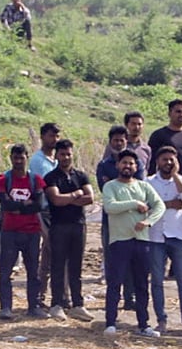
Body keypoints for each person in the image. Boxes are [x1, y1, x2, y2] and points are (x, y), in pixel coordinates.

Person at [101, 149, 165, 337]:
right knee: (115, 282)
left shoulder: (143, 186)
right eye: (124, 163)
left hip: (142, 240)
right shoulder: (111, 186)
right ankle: (111, 322)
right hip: (119, 241)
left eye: (131, 163)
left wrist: (148, 221)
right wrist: (135, 204)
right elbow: (110, 207)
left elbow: (159, 205)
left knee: (141, 284)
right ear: (117, 165)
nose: (127, 166)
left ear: (136, 167)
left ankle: (144, 324)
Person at [147, 146, 182, 339]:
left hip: (178, 236)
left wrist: (176, 175)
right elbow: (149, 205)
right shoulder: (149, 181)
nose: (168, 163)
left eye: (171, 160)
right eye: (164, 160)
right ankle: (161, 321)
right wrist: (169, 204)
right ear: (157, 161)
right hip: (156, 236)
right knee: (157, 282)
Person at [43, 139, 95, 323]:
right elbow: (56, 200)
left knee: (76, 266)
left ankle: (77, 304)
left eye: (68, 154)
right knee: (57, 265)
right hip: (58, 226)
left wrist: (69, 199)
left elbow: (90, 197)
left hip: (78, 224)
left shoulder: (81, 176)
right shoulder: (51, 177)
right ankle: (57, 304)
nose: (66, 157)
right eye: (62, 154)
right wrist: (76, 194)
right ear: (56, 155)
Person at [0, 144, 47, 319]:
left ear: (27, 158)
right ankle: (6, 308)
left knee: (33, 271)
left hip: (32, 232)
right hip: (9, 231)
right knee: (5, 271)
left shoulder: (36, 180)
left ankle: (34, 306)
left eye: (21, 158)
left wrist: (17, 207)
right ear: (11, 158)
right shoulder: (3, 179)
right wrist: (25, 205)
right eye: (15, 158)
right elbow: (5, 204)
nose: (18, 161)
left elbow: (39, 205)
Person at [96, 125, 141, 311]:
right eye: (115, 140)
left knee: (131, 260)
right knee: (113, 260)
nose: (118, 143)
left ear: (126, 141)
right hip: (111, 221)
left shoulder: (136, 162)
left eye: (122, 140)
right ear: (110, 142)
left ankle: (129, 298)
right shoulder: (103, 165)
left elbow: (139, 189)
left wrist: (117, 189)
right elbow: (106, 192)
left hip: (131, 221)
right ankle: (112, 299)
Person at [30, 123, 61, 309]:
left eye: (57, 136)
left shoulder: (57, 159)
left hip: (59, 212)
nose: (54, 140)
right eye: (51, 136)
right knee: (49, 253)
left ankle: (55, 296)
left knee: (56, 255)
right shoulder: (38, 161)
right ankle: (39, 296)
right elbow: (43, 188)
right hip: (44, 211)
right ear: (42, 137)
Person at [146, 99, 182, 175]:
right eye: (178, 112)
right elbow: (152, 162)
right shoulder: (158, 135)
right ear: (169, 113)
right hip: (164, 182)